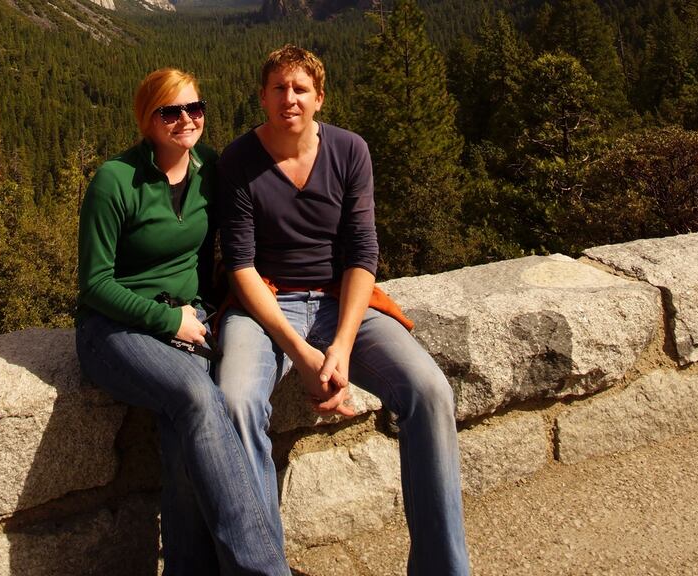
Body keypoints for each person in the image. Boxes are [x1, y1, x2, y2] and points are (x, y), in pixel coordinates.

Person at [215, 46, 470, 575]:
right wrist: (302, 355)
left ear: (319, 97)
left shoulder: (350, 151)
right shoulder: (239, 159)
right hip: (265, 305)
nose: (290, 99)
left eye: (300, 89)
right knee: (235, 400)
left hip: (341, 301)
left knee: (429, 390)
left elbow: (362, 254)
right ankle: (264, 569)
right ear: (262, 96)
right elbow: (239, 266)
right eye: (279, 89)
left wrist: (341, 348)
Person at [74, 68, 291, 575]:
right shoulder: (114, 180)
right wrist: (166, 319)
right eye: (169, 112)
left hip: (189, 320)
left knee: (181, 439)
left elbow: (258, 203)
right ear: (146, 120)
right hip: (113, 329)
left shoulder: (209, 167)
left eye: (195, 109)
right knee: (197, 398)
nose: (186, 120)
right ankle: (264, 568)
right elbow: (95, 283)